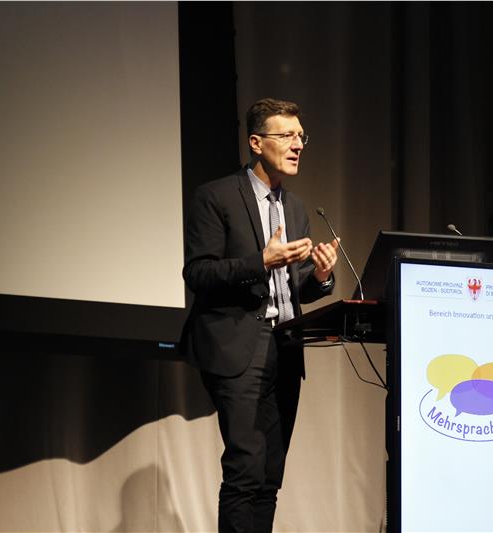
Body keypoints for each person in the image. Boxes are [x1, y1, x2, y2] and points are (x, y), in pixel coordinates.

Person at [180, 98, 339, 533]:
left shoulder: (296, 208)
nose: (298, 145)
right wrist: (260, 261)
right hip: (238, 347)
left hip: (284, 349)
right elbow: (197, 273)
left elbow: (295, 285)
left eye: (301, 136)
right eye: (286, 135)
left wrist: (320, 276)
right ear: (256, 142)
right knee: (246, 469)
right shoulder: (216, 197)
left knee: (270, 475)